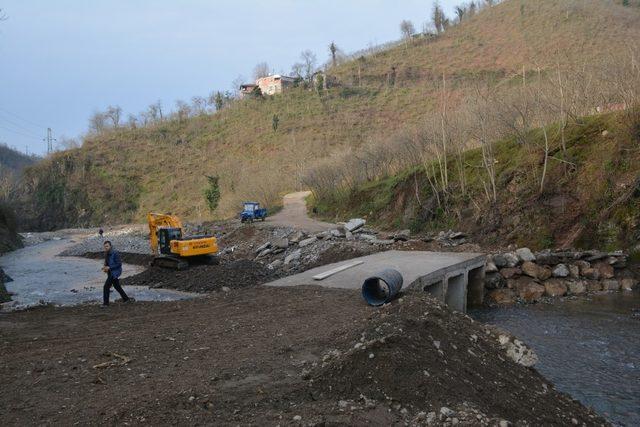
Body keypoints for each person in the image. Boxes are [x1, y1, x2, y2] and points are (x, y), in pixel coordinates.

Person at [101, 241, 131, 307]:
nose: (106, 248)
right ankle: (126, 299)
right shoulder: (106, 253)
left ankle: (106, 304)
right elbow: (107, 263)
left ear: (110, 246)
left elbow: (119, 264)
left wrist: (109, 267)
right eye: (105, 246)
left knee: (106, 287)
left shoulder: (115, 253)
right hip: (110, 272)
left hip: (114, 272)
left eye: (107, 246)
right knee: (117, 286)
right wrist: (105, 267)